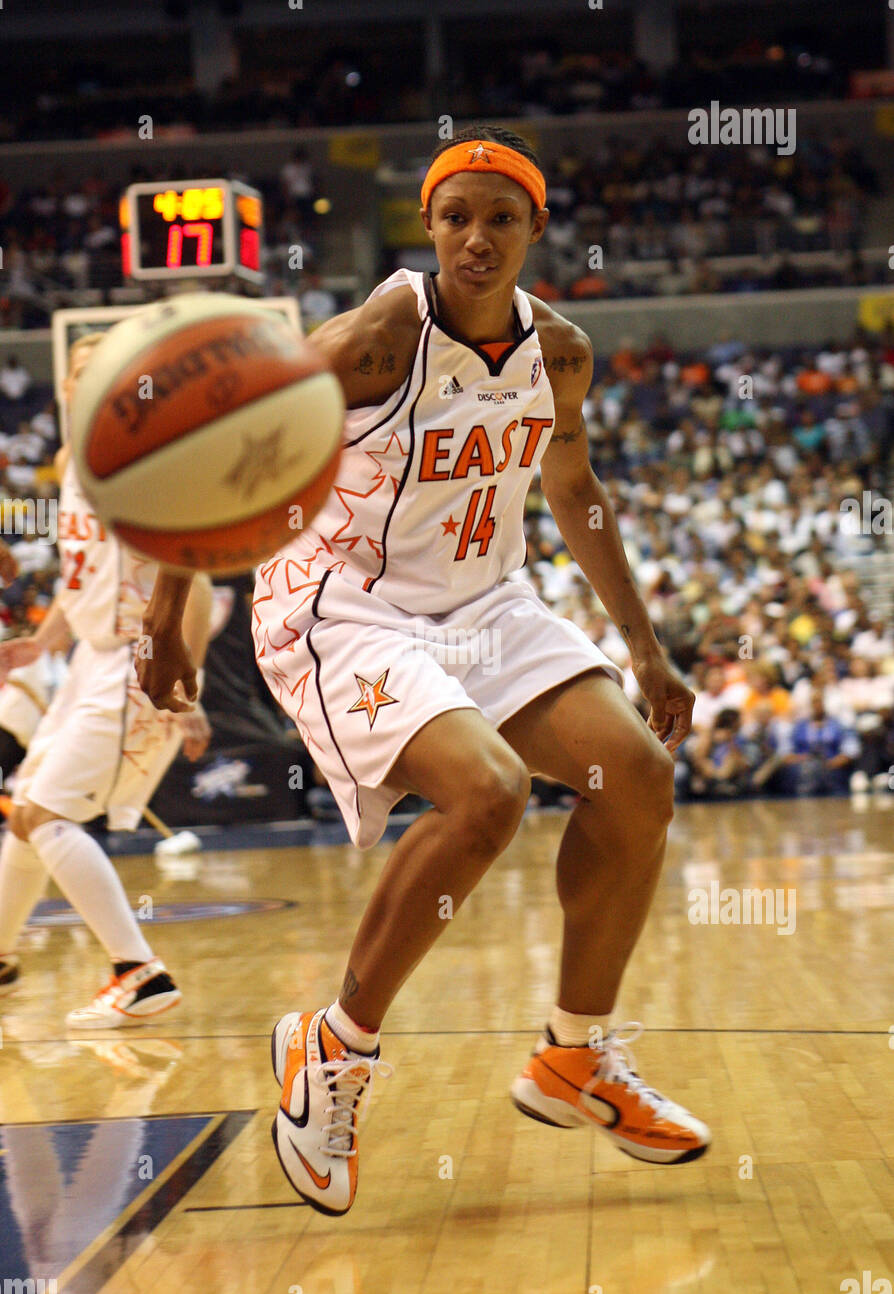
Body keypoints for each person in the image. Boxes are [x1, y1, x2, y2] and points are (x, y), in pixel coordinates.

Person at [138, 127, 710, 1216]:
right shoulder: (380, 334)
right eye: (456, 218)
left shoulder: (563, 354)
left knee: (634, 775)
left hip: (486, 600)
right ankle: (334, 1049)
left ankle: (573, 1056)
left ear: (537, 228)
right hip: (343, 602)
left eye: (501, 218)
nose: (477, 238)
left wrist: (642, 644)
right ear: (428, 228)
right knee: (487, 792)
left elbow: (574, 486)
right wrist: (171, 608)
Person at [0, 335, 213, 1025]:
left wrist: (188, 674)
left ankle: (138, 970)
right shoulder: (71, 462)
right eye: (80, 375)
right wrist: (43, 641)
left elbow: (197, 572)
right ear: (66, 388)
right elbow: (81, 575)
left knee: (46, 816)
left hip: (138, 655)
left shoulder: (145, 456)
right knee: (26, 808)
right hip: (91, 657)